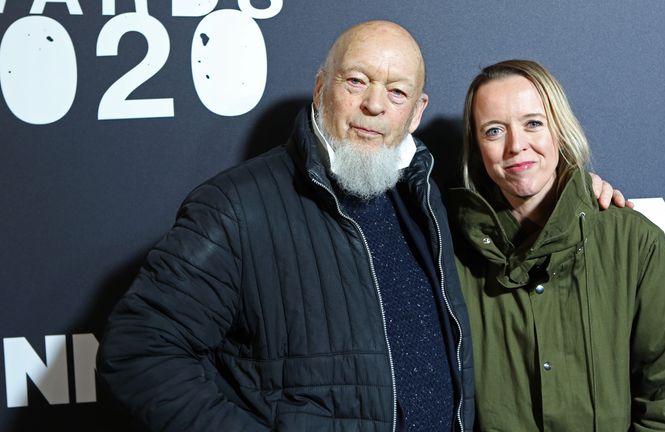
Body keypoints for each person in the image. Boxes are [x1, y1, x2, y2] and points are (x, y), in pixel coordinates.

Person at [97, 21, 625, 431]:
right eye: (357, 81)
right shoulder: (237, 207)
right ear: (322, 86)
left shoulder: (430, 201)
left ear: (415, 114)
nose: (374, 104)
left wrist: (578, 193)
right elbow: (138, 350)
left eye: (396, 93)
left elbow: (524, 198)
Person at [449, 59, 665, 431]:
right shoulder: (448, 257)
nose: (516, 145)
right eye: (494, 131)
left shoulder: (633, 242)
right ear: (477, 148)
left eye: (533, 124)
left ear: (559, 129)